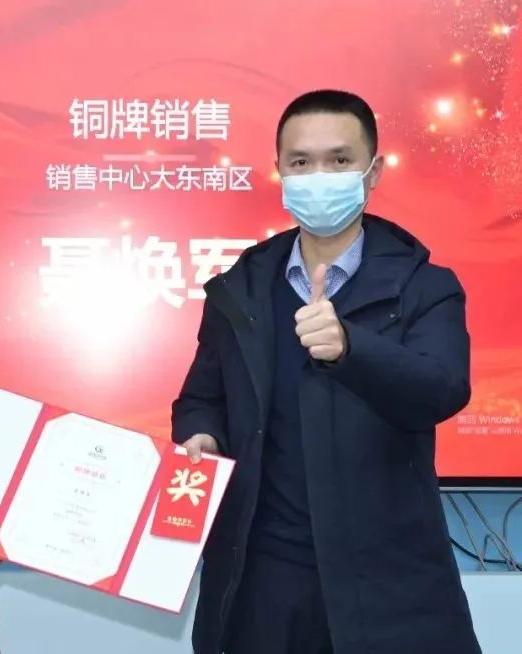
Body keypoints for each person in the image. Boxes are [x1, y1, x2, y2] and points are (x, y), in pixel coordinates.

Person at [172, 90, 482, 654]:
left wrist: (350, 349)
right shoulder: (240, 288)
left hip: (386, 583)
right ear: (280, 173)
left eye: (339, 161)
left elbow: (441, 389)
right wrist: (202, 434)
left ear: (373, 172)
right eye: (301, 162)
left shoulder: (425, 286)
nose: (319, 177)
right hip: (262, 582)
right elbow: (201, 397)